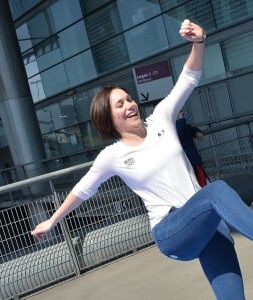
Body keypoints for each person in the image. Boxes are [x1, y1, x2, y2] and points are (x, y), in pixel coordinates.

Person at [31, 20, 253, 299]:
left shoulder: (161, 118)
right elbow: (82, 189)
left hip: (205, 221)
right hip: (172, 231)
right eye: (120, 104)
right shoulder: (112, 156)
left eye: (129, 99)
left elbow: (188, 78)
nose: (130, 104)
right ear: (108, 118)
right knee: (216, 190)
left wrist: (199, 42)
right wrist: (51, 221)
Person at [176, 111, 210, 186]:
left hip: (193, 160)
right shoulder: (173, 125)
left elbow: (189, 129)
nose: (182, 114)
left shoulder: (182, 124)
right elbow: (178, 134)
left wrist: (197, 131)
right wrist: (181, 120)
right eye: (179, 112)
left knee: (203, 183)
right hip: (184, 163)